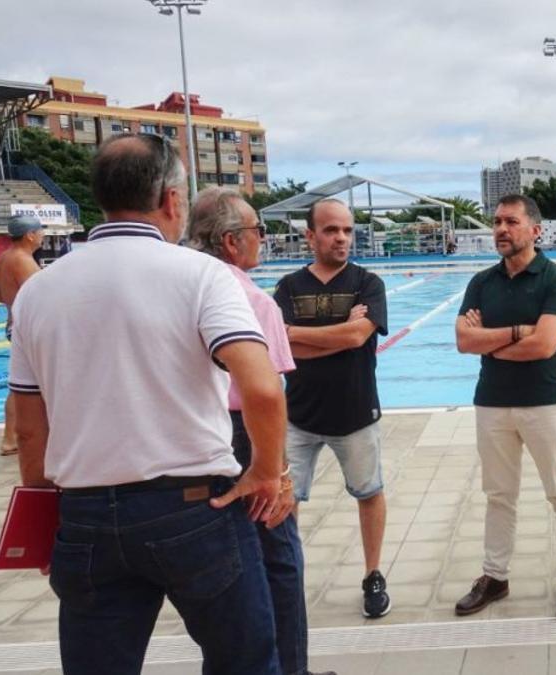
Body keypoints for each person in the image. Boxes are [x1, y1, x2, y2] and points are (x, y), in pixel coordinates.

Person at [9, 133, 287, 674]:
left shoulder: (39, 291)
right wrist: (266, 472)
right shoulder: (201, 275)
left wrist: (44, 518)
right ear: (172, 200)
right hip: (194, 508)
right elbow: (262, 387)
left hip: (85, 513)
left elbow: (29, 427)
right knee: (245, 663)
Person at [186, 188, 336, 675]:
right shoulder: (250, 300)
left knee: (219, 569)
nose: (263, 240)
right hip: (242, 433)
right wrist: (279, 472)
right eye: (259, 231)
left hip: (187, 439)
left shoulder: (175, 287)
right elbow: (267, 394)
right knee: (279, 561)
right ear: (231, 241)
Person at [454, 194, 556, 621]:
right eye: (496, 221)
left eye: (511, 221)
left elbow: (545, 344)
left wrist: (491, 345)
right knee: (499, 496)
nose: (500, 229)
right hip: (492, 404)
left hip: (544, 403)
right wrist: (516, 333)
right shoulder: (481, 282)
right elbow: (462, 341)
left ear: (535, 229)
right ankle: (495, 576)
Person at [273, 198, 391, 619]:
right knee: (284, 502)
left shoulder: (368, 282)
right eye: (330, 230)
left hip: (356, 414)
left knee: (369, 493)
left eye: (346, 230)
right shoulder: (288, 286)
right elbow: (280, 345)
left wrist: (300, 335)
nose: (341, 238)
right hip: (298, 416)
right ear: (310, 235)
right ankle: (285, 580)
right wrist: (339, 333)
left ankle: (373, 573)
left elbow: (358, 338)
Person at [0, 214, 44, 456]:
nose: (42, 235)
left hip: (15, 324)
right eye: (40, 231)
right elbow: (44, 296)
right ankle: (15, 437)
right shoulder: (23, 260)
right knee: (32, 384)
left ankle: (10, 437)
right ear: (29, 234)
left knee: (19, 384)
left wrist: (13, 304)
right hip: (27, 327)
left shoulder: (5, 258)